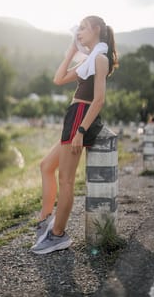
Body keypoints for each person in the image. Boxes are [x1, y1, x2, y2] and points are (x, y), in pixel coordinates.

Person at [31, 15, 118, 254]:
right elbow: (58, 79)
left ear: (96, 30)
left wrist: (81, 131)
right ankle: (46, 221)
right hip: (74, 113)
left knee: (66, 180)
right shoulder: (89, 60)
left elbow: (98, 100)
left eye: (83, 28)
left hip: (81, 116)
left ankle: (58, 235)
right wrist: (70, 51)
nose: (78, 32)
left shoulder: (100, 59)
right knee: (46, 166)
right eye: (77, 29)